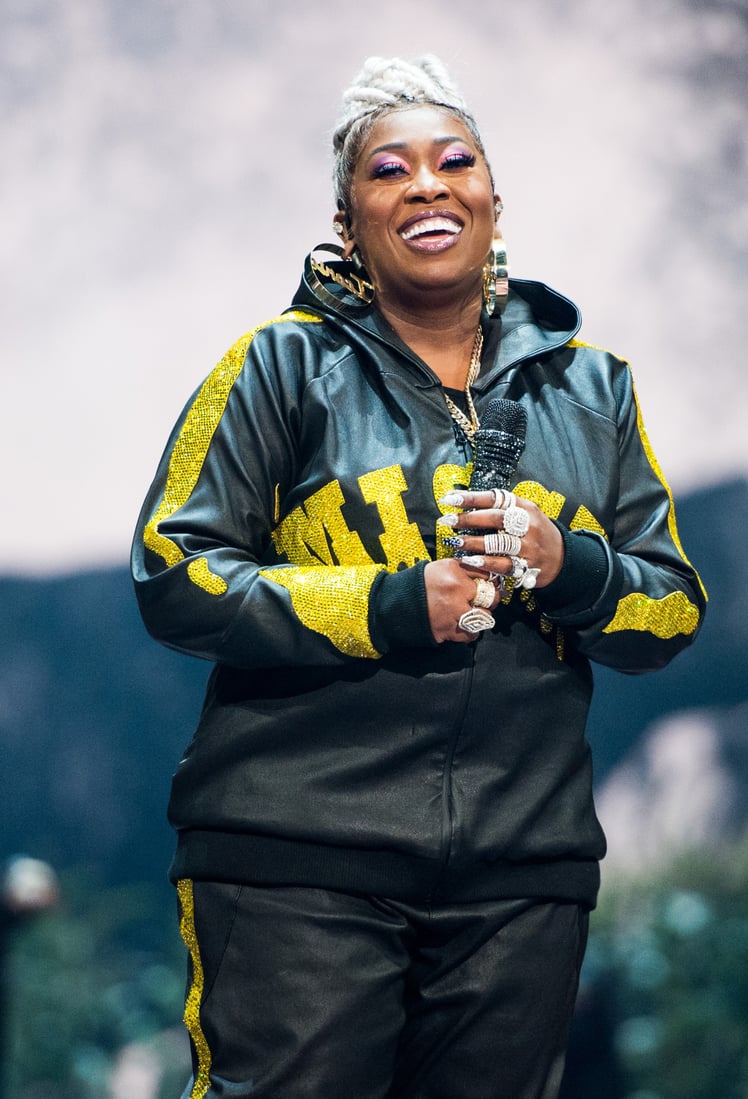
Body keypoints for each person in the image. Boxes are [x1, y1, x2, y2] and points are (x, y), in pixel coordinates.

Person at [131, 54, 706, 1099]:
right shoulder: (279, 367)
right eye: (389, 172)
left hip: (522, 873)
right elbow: (173, 569)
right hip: (298, 856)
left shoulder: (595, 388)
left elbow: (668, 607)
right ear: (349, 225)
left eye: (455, 161)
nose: (428, 184)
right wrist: (394, 603)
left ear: (494, 198)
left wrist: (561, 558)